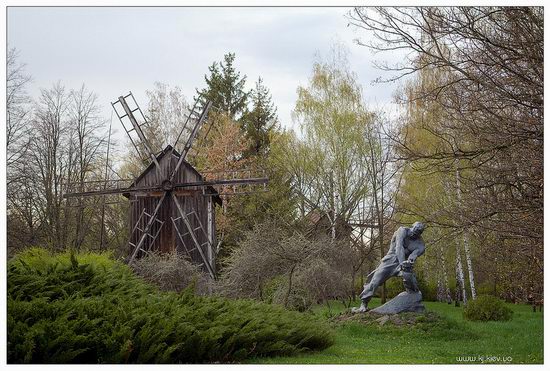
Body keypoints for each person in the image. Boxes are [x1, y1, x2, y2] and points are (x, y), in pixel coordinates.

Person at [352, 221, 426, 313]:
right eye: (415, 229)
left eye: (419, 232)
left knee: (410, 277)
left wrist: (408, 262)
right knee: (375, 281)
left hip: (404, 264)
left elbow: (413, 256)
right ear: (412, 226)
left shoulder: (420, 245)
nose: (416, 233)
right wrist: (402, 263)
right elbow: (399, 247)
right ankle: (364, 304)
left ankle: (413, 299)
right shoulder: (402, 231)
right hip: (390, 260)